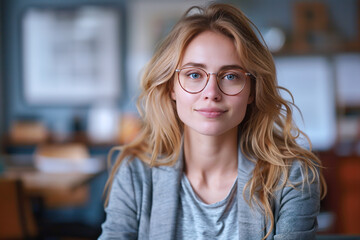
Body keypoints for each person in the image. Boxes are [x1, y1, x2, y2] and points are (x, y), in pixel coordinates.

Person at [99, 3, 326, 240]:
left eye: (230, 76)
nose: (211, 93)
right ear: (171, 88)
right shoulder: (135, 174)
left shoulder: (291, 177)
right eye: (194, 74)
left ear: (252, 91)